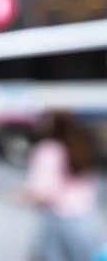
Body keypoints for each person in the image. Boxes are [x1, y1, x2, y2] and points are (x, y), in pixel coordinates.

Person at [16, 111, 105, 261]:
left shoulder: (48, 150)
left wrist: (20, 194)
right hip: (88, 220)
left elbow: (43, 192)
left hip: (60, 222)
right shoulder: (82, 145)